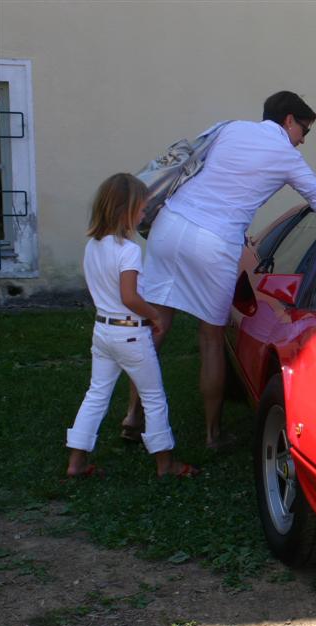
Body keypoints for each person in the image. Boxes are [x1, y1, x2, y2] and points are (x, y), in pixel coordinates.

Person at [123, 91, 316, 449]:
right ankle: (212, 434)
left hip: (169, 226)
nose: (302, 141)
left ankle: (132, 415)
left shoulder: (229, 128)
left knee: (156, 325)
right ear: (288, 120)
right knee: (210, 339)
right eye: (304, 130)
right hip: (215, 242)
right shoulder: (286, 155)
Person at [66, 173, 198, 478]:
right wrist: (153, 315)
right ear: (125, 210)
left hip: (103, 331)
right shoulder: (128, 251)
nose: (144, 214)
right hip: (130, 335)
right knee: (153, 397)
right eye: (142, 208)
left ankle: (76, 462)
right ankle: (166, 464)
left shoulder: (93, 247)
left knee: (96, 393)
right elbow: (129, 296)